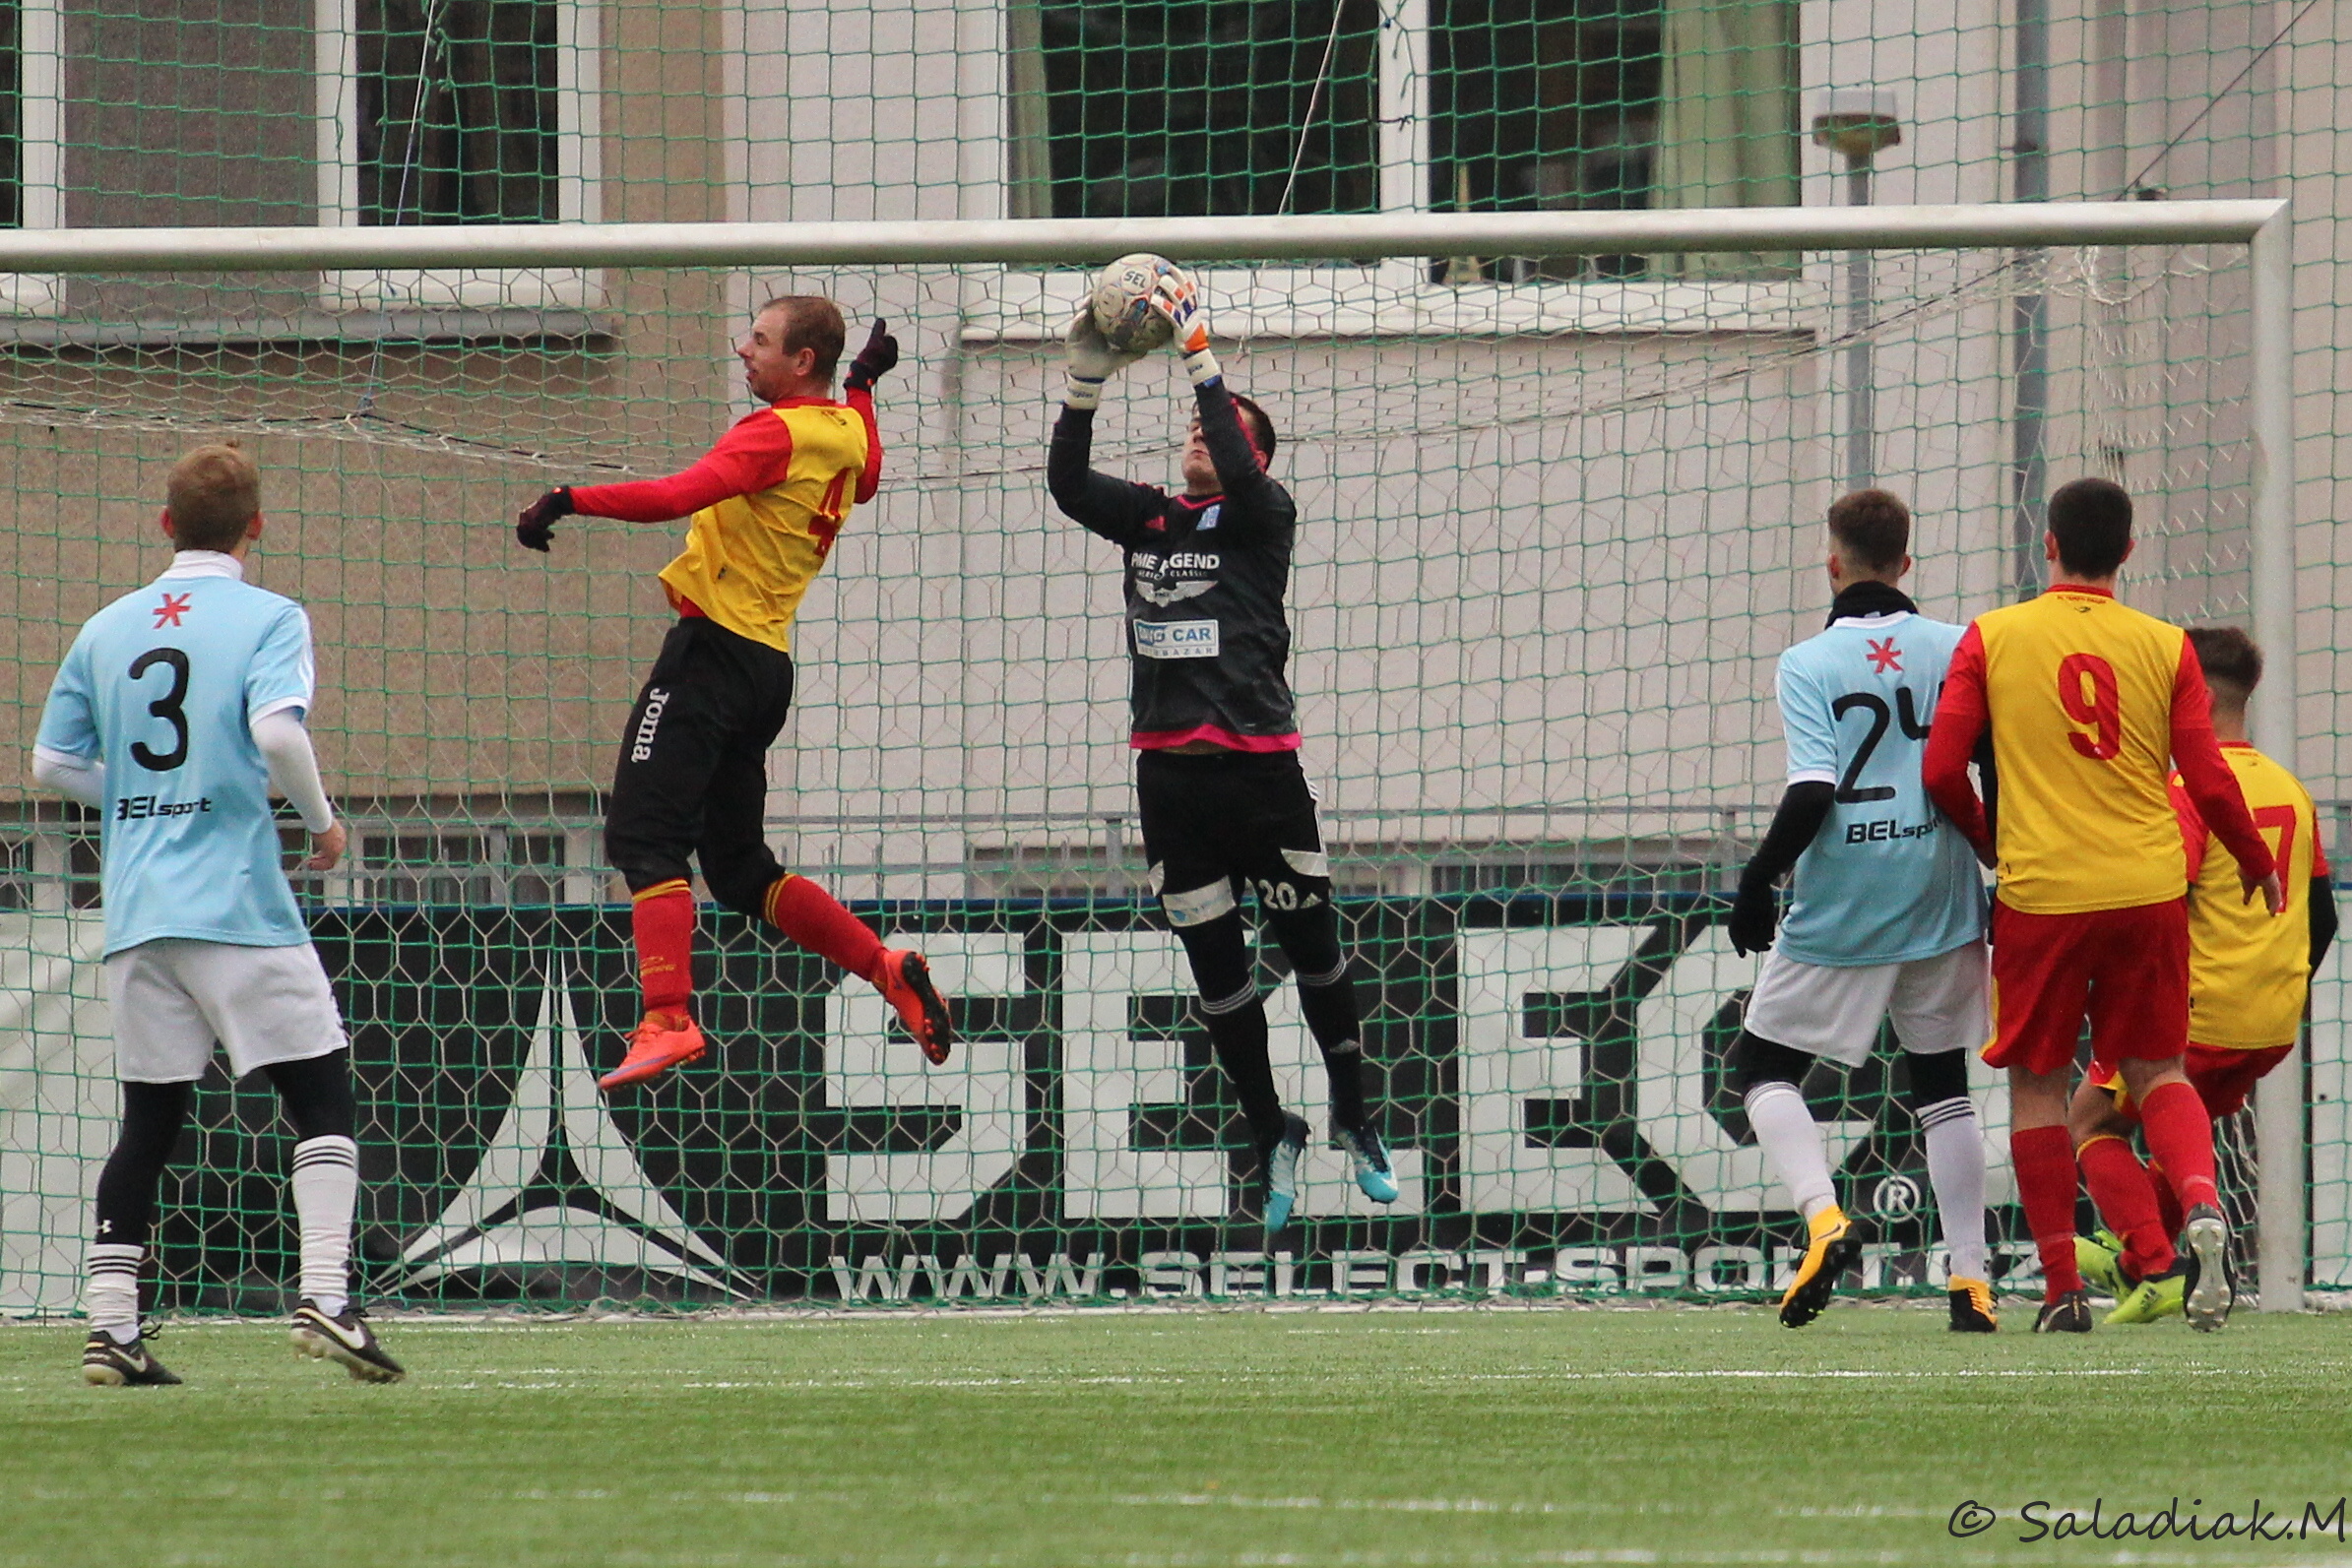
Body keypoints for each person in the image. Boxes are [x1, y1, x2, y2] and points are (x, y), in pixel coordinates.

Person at [513, 297, 952, 1090]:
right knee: (742, 869)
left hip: (710, 657)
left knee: (644, 839)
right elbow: (869, 478)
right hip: (766, 666)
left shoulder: (773, 433)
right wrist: (862, 385)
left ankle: (666, 1017)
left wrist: (568, 498)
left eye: (760, 338)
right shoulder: (844, 429)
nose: (743, 348)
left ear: (801, 362)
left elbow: (678, 494)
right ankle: (882, 964)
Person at [34, 443, 402, 1386]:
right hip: (235, 904)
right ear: (257, 525)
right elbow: (278, 730)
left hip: (137, 914)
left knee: (149, 1121)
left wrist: (141, 801)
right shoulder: (270, 616)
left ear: (166, 524)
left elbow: (51, 763)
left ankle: (111, 1327)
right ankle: (326, 1295)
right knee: (321, 1098)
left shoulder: (106, 627)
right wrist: (322, 822)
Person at [1047, 267, 1395, 1236]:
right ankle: (1270, 1125)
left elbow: (1239, 468)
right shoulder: (1150, 515)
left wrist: (1200, 357)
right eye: (1196, 428)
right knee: (1217, 976)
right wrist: (1084, 383)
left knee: (1312, 952)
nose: (1199, 437)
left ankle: (1353, 1113)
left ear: (1257, 455)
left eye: (1220, 431)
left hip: (1259, 775)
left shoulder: (1260, 515)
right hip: (1170, 784)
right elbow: (1068, 485)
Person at [1923, 476, 2282, 1334]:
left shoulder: (1992, 637)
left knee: (2037, 1088)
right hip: (2146, 890)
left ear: (2046, 545)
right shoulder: (2165, 647)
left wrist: (1986, 839)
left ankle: (2061, 1289)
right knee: (2158, 1069)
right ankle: (2199, 1200)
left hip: (2042, 894)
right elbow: (2207, 775)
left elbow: (1939, 769)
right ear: (2127, 551)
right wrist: (2254, 859)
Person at [1726, 489, 1996, 1333]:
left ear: (1831, 563)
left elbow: (1813, 788)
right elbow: (1991, 762)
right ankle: (1970, 1283)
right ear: (1905, 563)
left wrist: (1756, 879)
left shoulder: (1806, 662)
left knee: (1759, 1066)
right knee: (1942, 1087)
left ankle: (1823, 1216)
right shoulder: (1957, 645)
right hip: (1940, 890)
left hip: (1843, 898)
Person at [2071, 626, 2336, 1324]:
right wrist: (2275, 985)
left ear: (2195, 699)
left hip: (2199, 1013)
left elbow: (2165, 899)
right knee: (2174, 1139)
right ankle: (2143, 1263)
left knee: (2089, 1118)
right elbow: (2323, 918)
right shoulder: (2291, 788)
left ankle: (2154, 1259)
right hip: (2272, 1022)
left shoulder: (2188, 787)